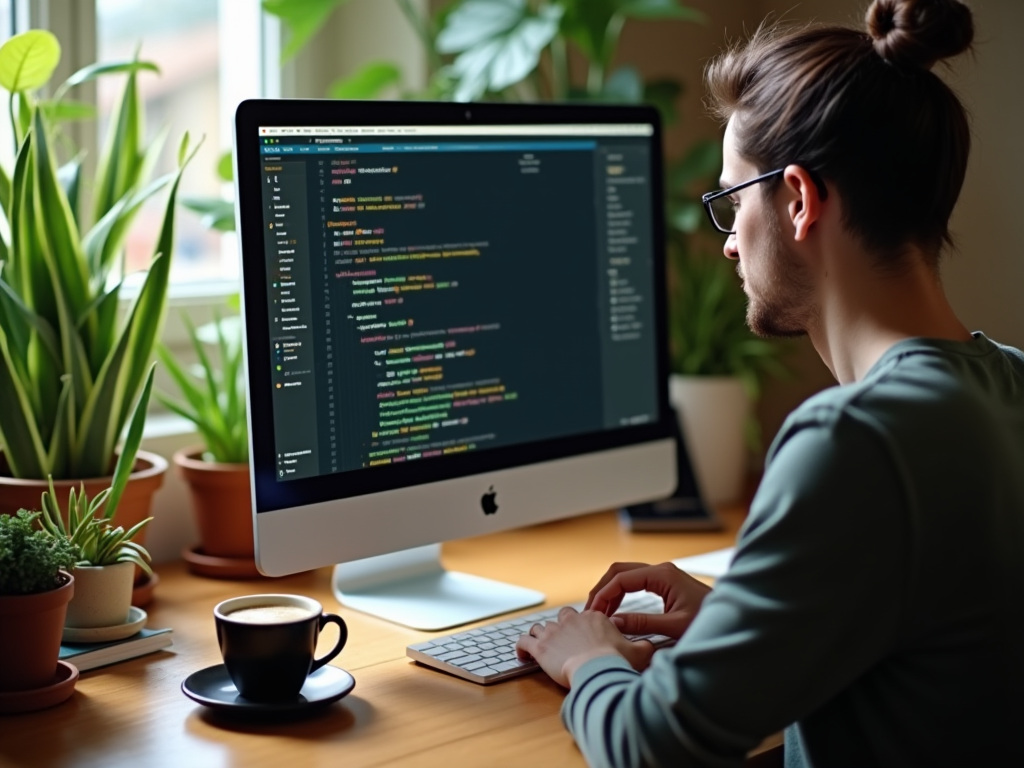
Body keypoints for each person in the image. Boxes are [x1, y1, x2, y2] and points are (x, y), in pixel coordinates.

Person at [516, 0, 1024, 765]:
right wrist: (744, 622)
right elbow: (938, 647)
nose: (726, 246)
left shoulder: (859, 439)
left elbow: (652, 747)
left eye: (730, 201)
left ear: (797, 200)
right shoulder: (1008, 383)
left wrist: (586, 656)